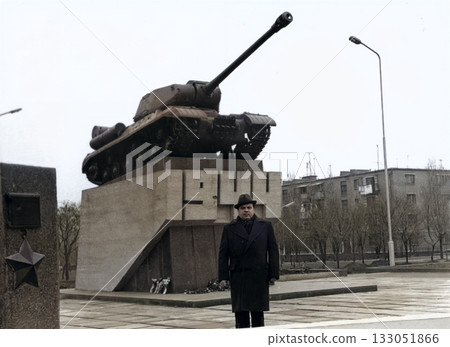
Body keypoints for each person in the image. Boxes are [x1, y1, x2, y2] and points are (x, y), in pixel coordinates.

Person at [218, 193, 279, 328]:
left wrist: (273, 274)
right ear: (238, 210)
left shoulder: (265, 226)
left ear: (253, 209)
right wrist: (223, 276)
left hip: (259, 277)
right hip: (239, 277)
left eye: (249, 207)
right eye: (243, 208)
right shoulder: (229, 229)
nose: (246, 210)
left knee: (258, 317)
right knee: (241, 318)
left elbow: (273, 251)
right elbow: (223, 254)